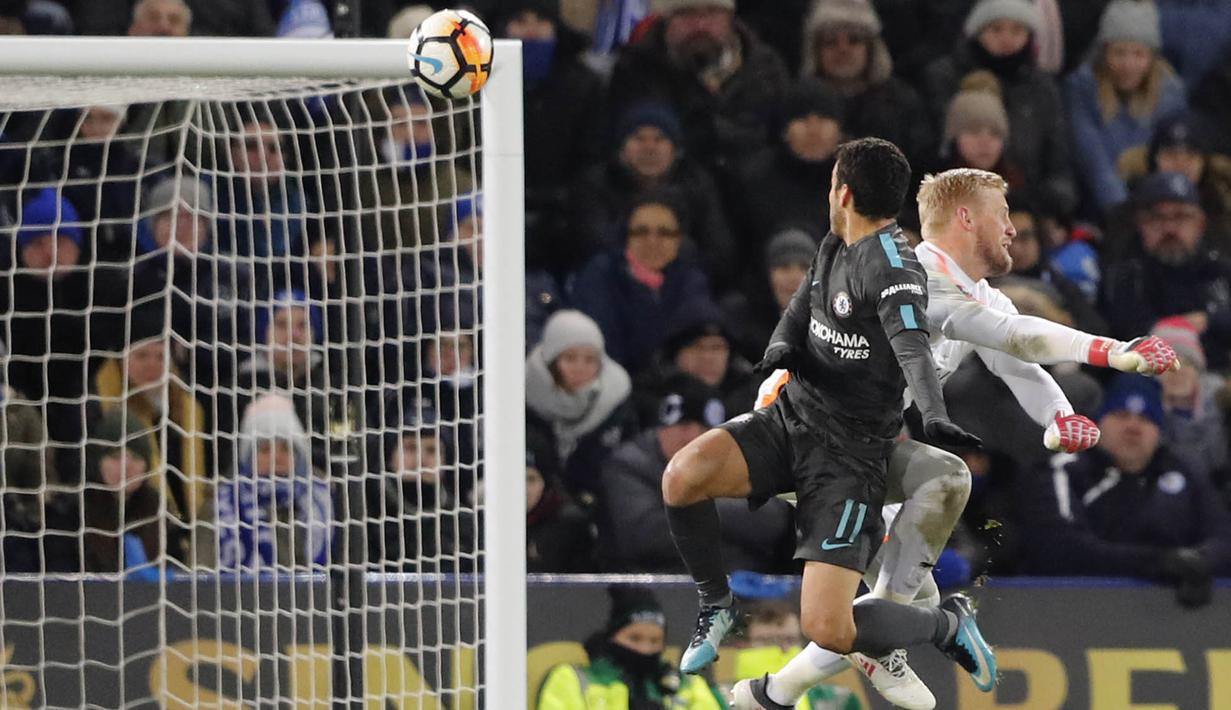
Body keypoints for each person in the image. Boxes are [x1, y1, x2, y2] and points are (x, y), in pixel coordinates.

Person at [735, 168, 1179, 709]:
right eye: (1003, 215)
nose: (1012, 229)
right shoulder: (907, 274)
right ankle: (848, 658)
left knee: (911, 589)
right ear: (966, 218)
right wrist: (1114, 351)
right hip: (802, 434)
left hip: (855, 446)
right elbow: (1014, 335)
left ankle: (782, 688)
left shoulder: (979, 295)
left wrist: (1057, 416)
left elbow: (1016, 362)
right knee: (944, 485)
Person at [661, 138, 988, 696]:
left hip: (848, 460)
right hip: (789, 422)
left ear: (844, 192)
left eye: (832, 180)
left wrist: (933, 415)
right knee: (682, 477)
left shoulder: (895, 270)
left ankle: (947, 625)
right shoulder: (836, 241)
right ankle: (717, 605)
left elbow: (913, 349)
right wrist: (780, 347)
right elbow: (802, 304)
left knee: (830, 628)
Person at [1018, 374, 1231, 607]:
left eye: (1146, 418)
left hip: (1168, 618)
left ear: (1159, 431)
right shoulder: (1063, 471)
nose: (1133, 427)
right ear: (1098, 422)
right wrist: (1159, 563)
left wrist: (1197, 563)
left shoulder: (1184, 472)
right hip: (1071, 610)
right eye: (1121, 415)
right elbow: (1060, 548)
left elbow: (1222, 537)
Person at [599, 374, 793, 573]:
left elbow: (771, 520)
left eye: (704, 428)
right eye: (682, 426)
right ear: (660, 429)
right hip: (658, 583)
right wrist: (723, 517)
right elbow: (644, 535)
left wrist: (690, 507)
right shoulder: (630, 464)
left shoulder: (739, 460)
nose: (692, 436)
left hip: (742, 582)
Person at [922, 0, 1077, 221]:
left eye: (1017, 30)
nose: (1006, 38)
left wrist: (1043, 205)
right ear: (978, 31)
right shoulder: (945, 78)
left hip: (1029, 206)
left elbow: (1058, 165)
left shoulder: (1041, 88)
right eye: (996, 29)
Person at [606, 0, 790, 177]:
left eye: (712, 13)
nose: (700, 26)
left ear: (730, 18)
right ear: (667, 19)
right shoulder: (636, 70)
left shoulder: (765, 70)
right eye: (687, 14)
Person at [568, 101, 735, 288]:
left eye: (660, 139)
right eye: (638, 138)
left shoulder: (697, 184)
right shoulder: (596, 184)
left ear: (676, 150)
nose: (649, 148)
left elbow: (720, 254)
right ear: (621, 149)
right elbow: (594, 244)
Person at [1065, 0, 1187, 215]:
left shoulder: (1170, 93)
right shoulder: (1082, 89)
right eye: (1119, 53)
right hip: (1099, 208)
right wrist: (1124, 214)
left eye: (1138, 54)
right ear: (1104, 53)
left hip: (1155, 208)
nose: (1128, 64)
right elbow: (1093, 161)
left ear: (1151, 56)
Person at [570, 193, 713, 374]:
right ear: (626, 237)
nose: (652, 242)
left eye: (665, 233)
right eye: (641, 232)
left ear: (679, 240)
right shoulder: (600, 274)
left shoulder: (691, 279)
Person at [1101, 171, 1231, 368]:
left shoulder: (1219, 269)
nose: (1169, 228)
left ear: (1200, 224)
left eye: (1180, 217)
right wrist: (1183, 327)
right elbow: (1124, 332)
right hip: (1148, 374)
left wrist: (1209, 321)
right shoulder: (1124, 275)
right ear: (1141, 225)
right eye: (1157, 218)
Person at [92, 308, 208, 522]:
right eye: (142, 355)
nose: (152, 365)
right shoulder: (101, 409)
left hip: (188, 525)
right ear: (121, 362)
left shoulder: (188, 410)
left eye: (160, 356)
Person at [195, 394, 333, 571]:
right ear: (248, 458)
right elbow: (199, 575)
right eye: (266, 449)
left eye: (286, 448)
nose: (276, 458)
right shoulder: (218, 507)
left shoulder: (324, 503)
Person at [536, 586, 726, 709]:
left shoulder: (687, 685)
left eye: (654, 641)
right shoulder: (572, 679)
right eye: (635, 638)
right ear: (613, 636)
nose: (645, 649)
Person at [799, 0, 934, 172]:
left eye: (854, 40)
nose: (843, 49)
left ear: (871, 49)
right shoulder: (801, 104)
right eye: (830, 41)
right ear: (816, 52)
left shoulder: (901, 102)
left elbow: (921, 163)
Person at [525, 310, 637, 507]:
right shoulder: (523, 398)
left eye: (590, 359)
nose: (580, 368)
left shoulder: (617, 403)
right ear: (551, 361)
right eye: (570, 358)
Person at [732, 80, 845, 251]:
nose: (814, 130)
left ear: (840, 131)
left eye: (823, 119)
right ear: (784, 131)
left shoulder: (858, 183)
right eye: (802, 119)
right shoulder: (754, 180)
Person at [367, 400, 474, 572]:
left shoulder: (463, 522)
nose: (420, 460)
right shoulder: (368, 516)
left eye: (432, 450)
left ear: (446, 461)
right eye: (411, 448)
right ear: (390, 456)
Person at [728, 600, 862, 710]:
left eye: (790, 640)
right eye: (768, 641)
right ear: (743, 645)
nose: (781, 648)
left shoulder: (838, 699)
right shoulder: (723, 699)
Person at [526, 430, 594, 573]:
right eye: (514, 477)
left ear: (546, 484)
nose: (523, 489)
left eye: (531, 479)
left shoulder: (570, 526)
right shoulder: (487, 524)